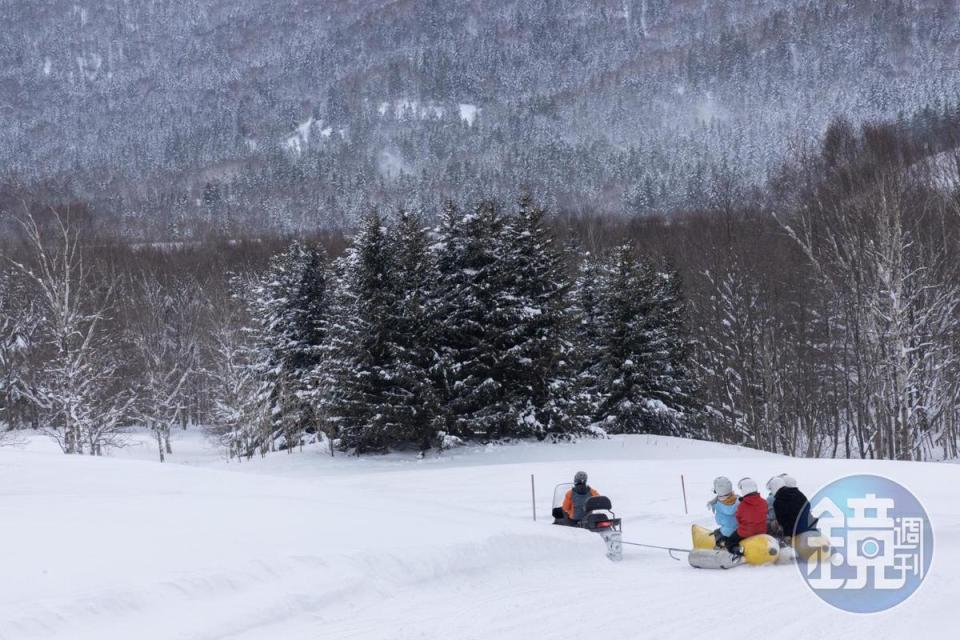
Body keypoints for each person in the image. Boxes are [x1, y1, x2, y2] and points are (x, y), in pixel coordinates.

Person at [724, 477, 768, 555]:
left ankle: (738, 551)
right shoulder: (764, 502)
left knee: (729, 542)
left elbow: (738, 519)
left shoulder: (742, 505)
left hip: (746, 532)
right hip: (762, 531)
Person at [707, 476, 738, 546]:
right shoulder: (738, 500)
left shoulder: (719, 505)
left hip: (727, 532)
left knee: (716, 536)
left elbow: (720, 520)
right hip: (739, 530)